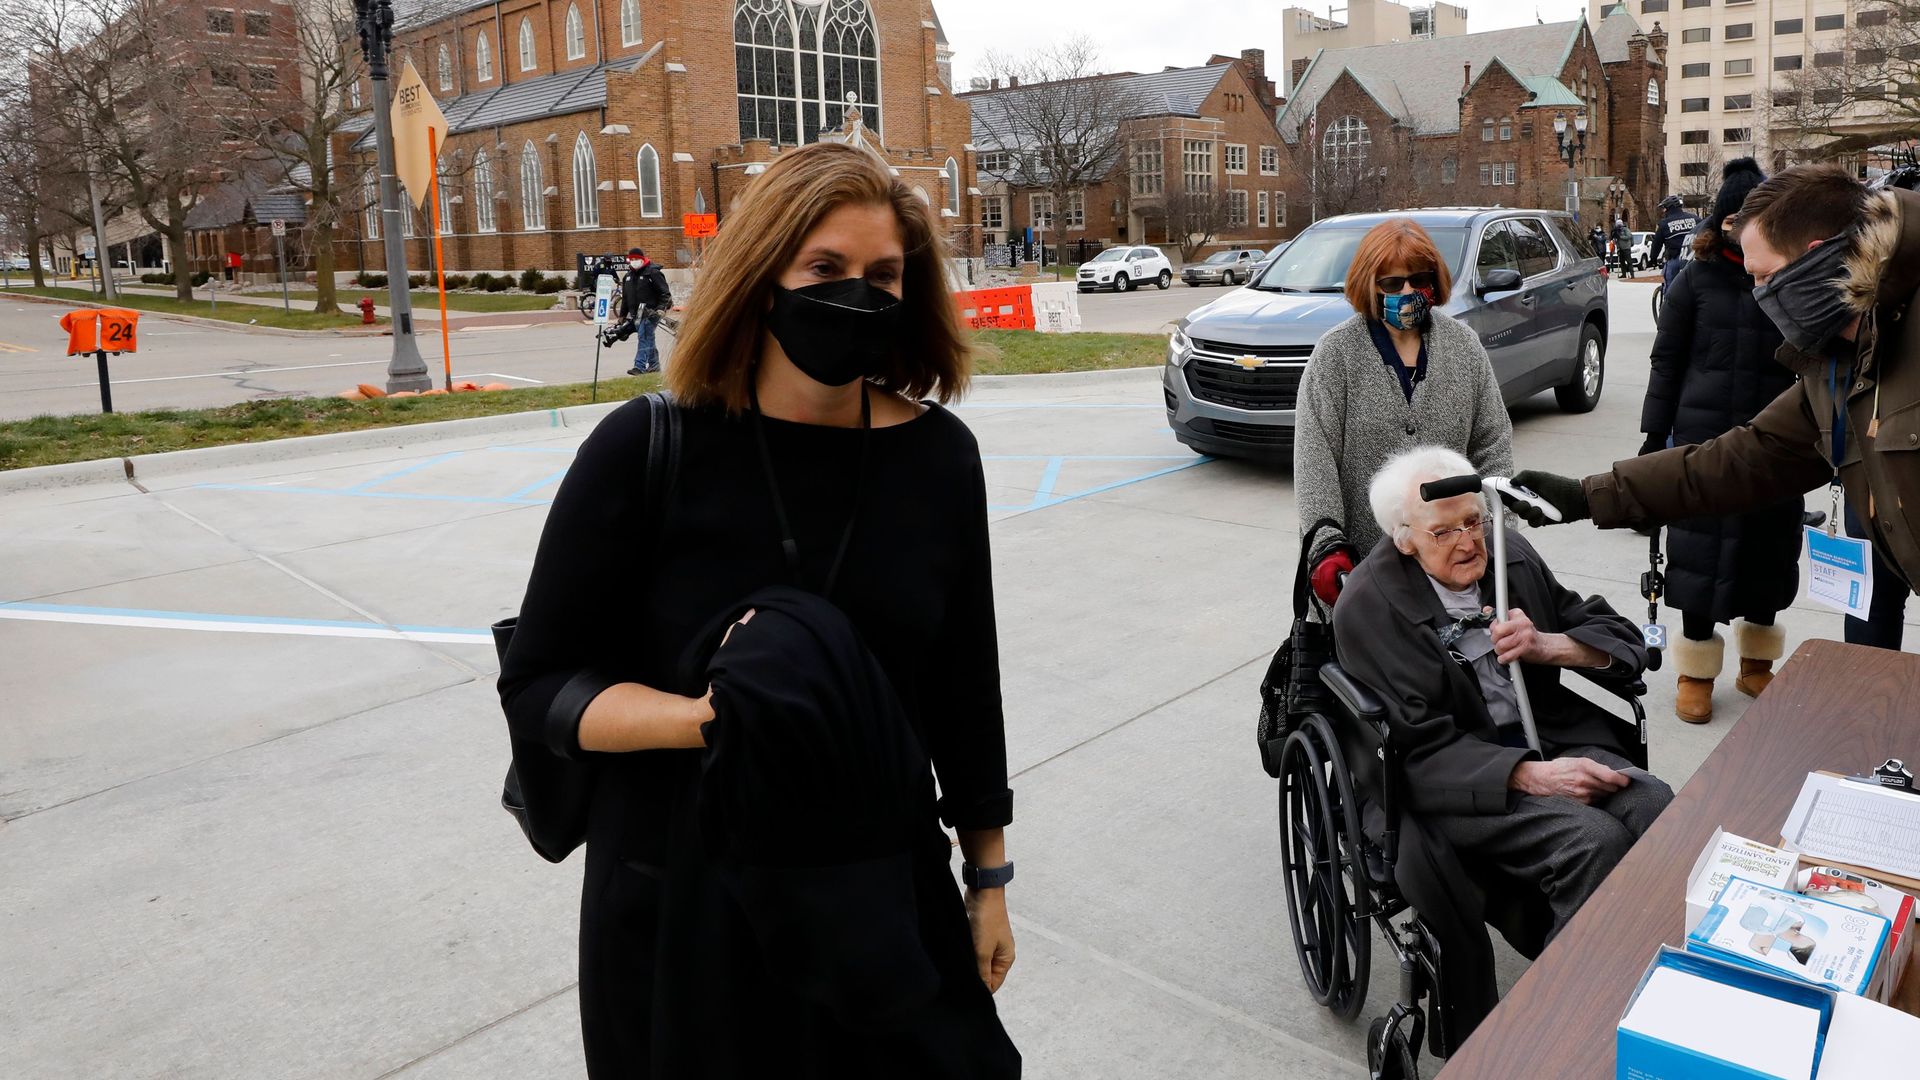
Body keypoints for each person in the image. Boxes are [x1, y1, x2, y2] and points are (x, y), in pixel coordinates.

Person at [497, 142, 1020, 1078]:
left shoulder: (941, 458)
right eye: (825, 269)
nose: (857, 293)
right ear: (762, 274)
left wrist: (988, 879)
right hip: (681, 896)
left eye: (883, 274)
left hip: (876, 885)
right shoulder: (646, 447)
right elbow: (541, 687)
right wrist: (715, 723)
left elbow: (962, 687)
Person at [1334, 445, 1674, 1042]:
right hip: (1453, 783)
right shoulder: (1370, 607)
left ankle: (1642, 978)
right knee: (1592, 840)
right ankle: (1570, 1018)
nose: (1468, 542)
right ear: (1404, 537)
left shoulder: (1507, 554)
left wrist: (1550, 646)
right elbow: (1415, 753)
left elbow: (1613, 631)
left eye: (1474, 520)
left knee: (1656, 805)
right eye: (1445, 531)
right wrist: (1535, 776)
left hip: (1547, 735)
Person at [1505, 164, 1920, 624]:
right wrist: (1586, 496)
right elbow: (1740, 460)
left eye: (1765, 277)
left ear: (1816, 259)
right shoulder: (1836, 365)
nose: (1758, 294)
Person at [1638, 158, 1796, 722]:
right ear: (1719, 221)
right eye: (1732, 219)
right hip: (1702, 442)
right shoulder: (1693, 278)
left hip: (1777, 444)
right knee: (1699, 555)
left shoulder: (1788, 278)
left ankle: (1756, 665)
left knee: (1769, 554)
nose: (1740, 230)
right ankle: (1696, 671)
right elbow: (1666, 361)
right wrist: (1654, 436)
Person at [1292, 218, 1514, 605]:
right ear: (1369, 285)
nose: (1408, 291)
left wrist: (1497, 529)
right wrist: (1326, 549)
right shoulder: (1335, 356)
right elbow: (1315, 463)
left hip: (1454, 566)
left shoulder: (1463, 347)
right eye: (1392, 284)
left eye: (1418, 279)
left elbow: (1492, 445)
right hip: (1362, 572)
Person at [621, 246, 672, 375]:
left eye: (636, 259)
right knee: (648, 338)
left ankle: (639, 366)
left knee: (643, 336)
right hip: (636, 314)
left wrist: (661, 309)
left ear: (642, 259)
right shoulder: (628, 277)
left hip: (651, 312)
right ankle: (654, 365)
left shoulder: (652, 273)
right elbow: (626, 298)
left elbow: (665, 294)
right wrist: (622, 315)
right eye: (631, 259)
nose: (633, 261)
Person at [1654, 194, 1702, 287]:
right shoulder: (1696, 219)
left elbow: (1657, 244)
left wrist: (1653, 259)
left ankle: (1668, 299)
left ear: (1669, 208)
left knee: (1670, 284)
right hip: (1694, 258)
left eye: (1664, 208)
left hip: (1675, 258)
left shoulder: (1664, 223)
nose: (1663, 211)